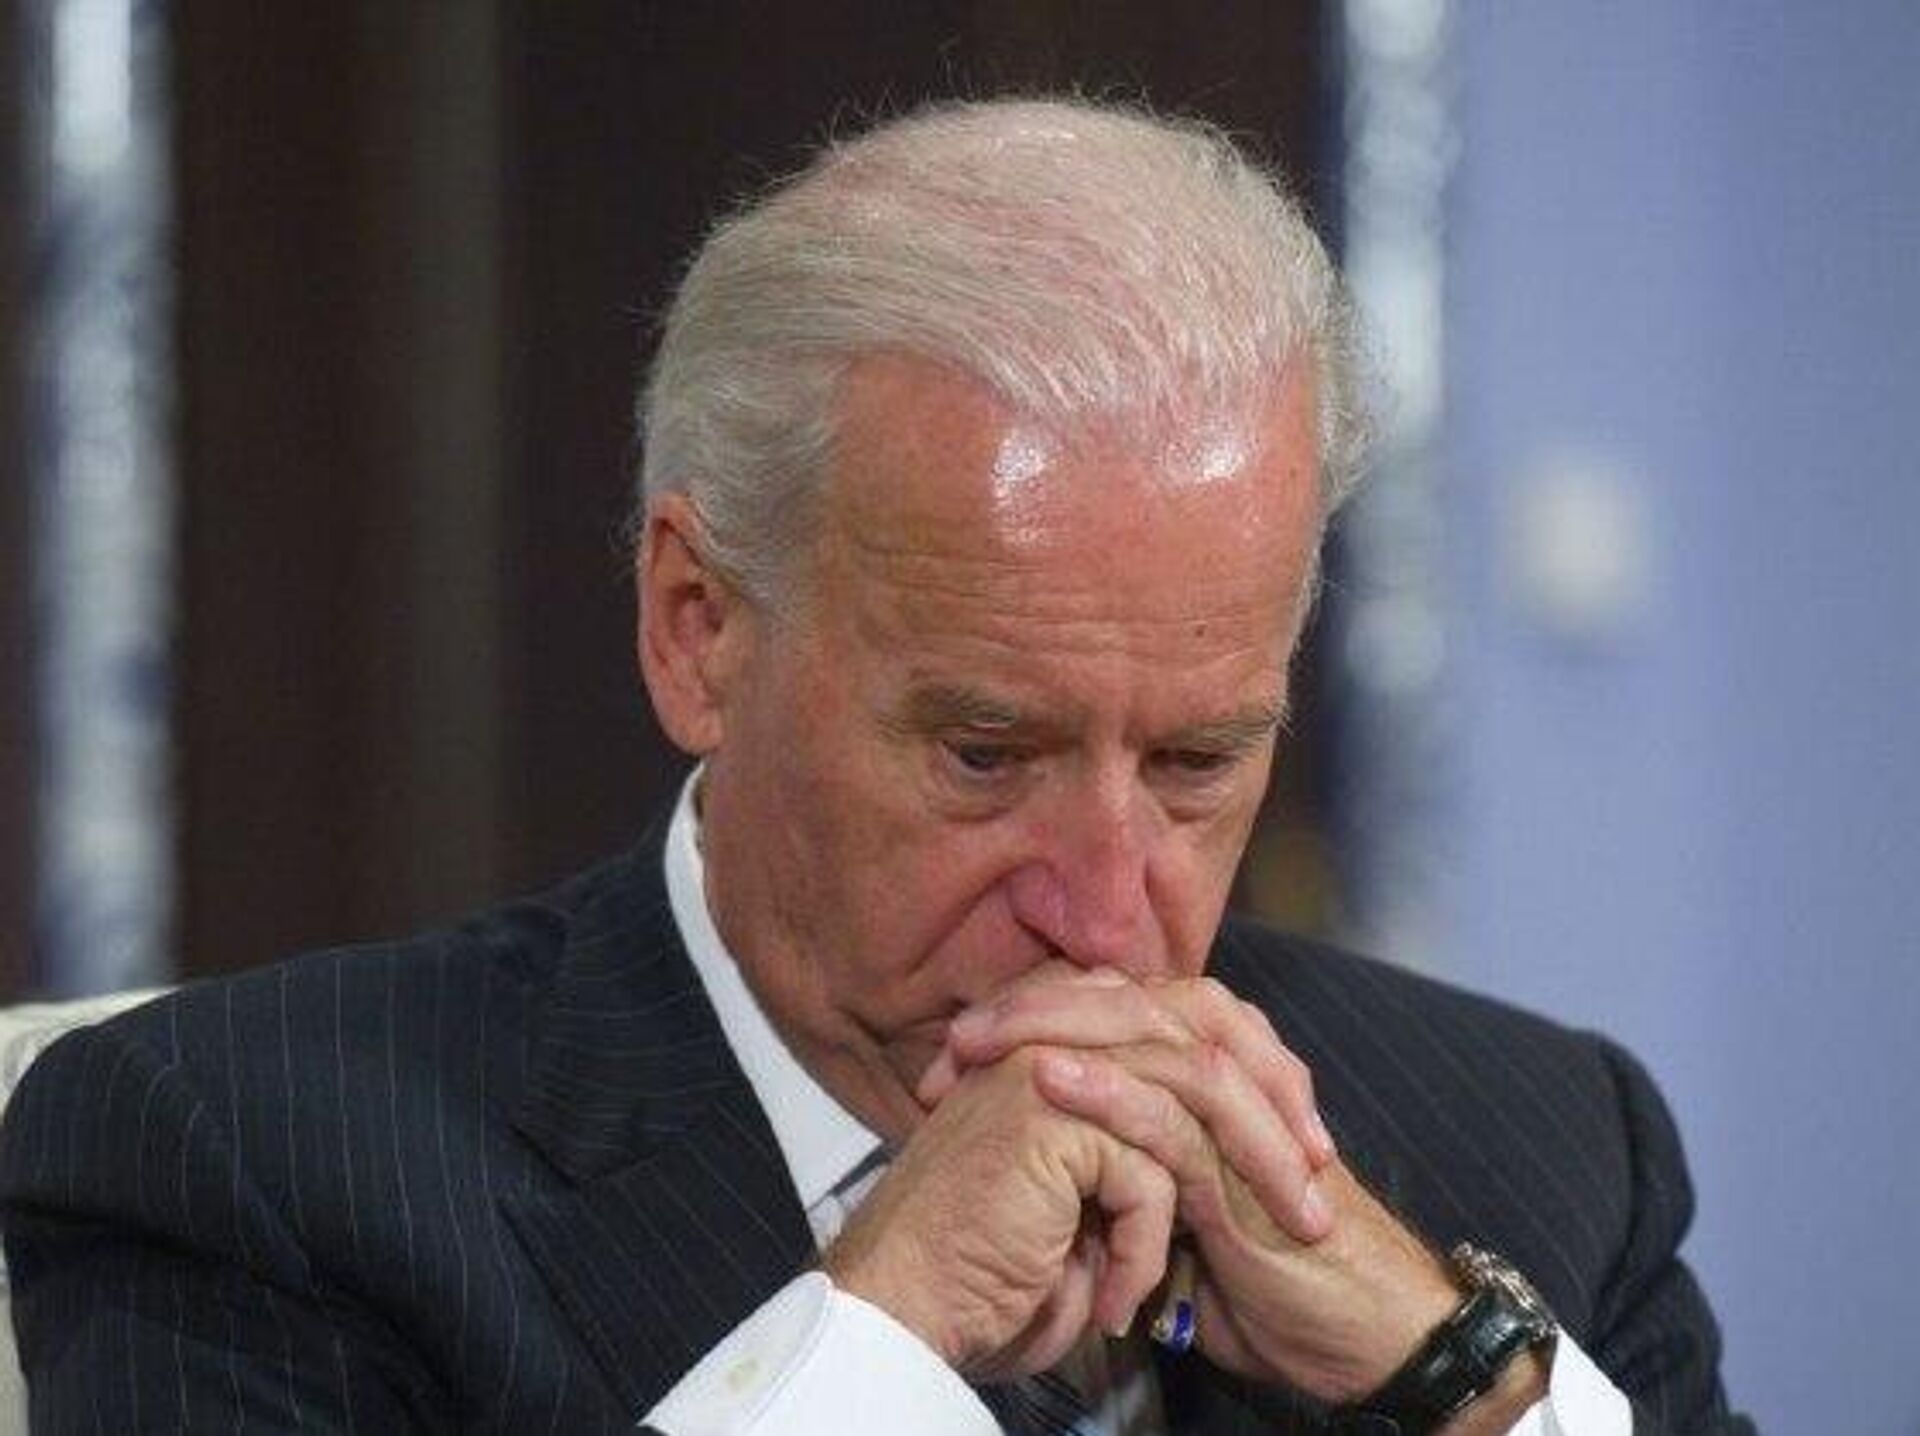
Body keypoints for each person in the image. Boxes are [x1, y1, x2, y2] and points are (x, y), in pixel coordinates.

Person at [0, 98, 1751, 1434]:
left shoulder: (1538, 1150)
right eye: (988, 753)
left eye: (1200, 761)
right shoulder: (245, 1168)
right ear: (698, 627)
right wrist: (877, 1337)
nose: (1107, 917)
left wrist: (1454, 1377)